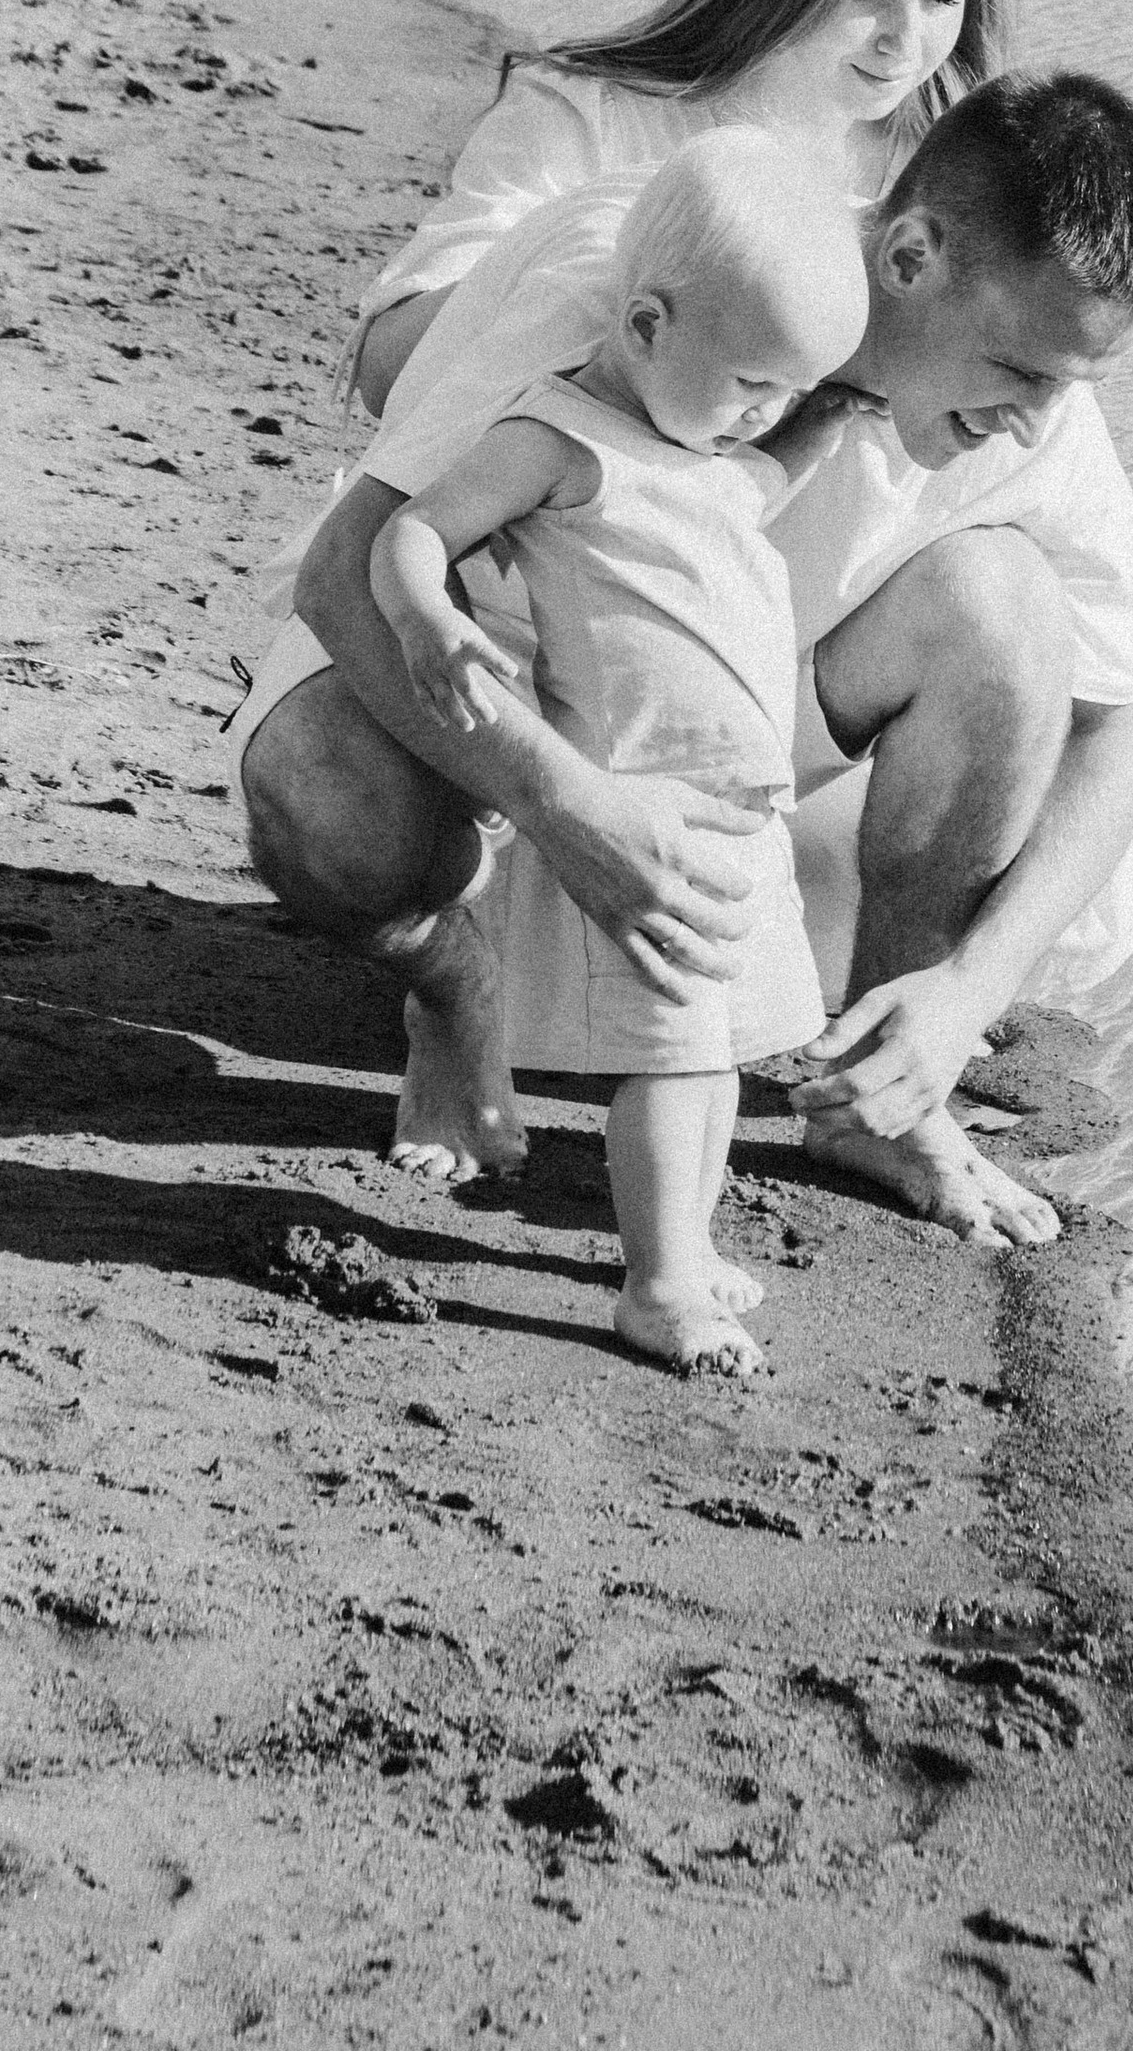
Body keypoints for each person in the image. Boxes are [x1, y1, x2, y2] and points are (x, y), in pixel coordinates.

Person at [240, 74, 1133, 1248]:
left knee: (1005, 608)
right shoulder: (653, 272)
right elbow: (351, 572)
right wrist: (561, 797)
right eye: (1024, 372)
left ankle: (882, 1088)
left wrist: (968, 997)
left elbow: (1122, 728)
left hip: (718, 767)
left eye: (1070, 383)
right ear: (909, 256)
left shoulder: (1037, 417)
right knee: (321, 787)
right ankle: (453, 988)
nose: (1039, 418)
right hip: (482, 730)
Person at [367, 130, 866, 1376]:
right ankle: (654, 1283)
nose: (771, 411)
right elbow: (413, 533)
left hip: (733, 815)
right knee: (668, 1059)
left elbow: (754, 489)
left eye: (789, 393)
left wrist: (832, 416)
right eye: (755, 381)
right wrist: (429, 617)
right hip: (635, 807)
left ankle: (685, 1248)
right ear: (644, 325)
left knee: (716, 1060)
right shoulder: (559, 436)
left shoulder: (705, 451)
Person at [349, 0, 1007, 415]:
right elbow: (385, 374)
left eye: (943, 1)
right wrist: (633, 259)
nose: (905, 42)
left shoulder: (948, 181)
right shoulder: (587, 117)